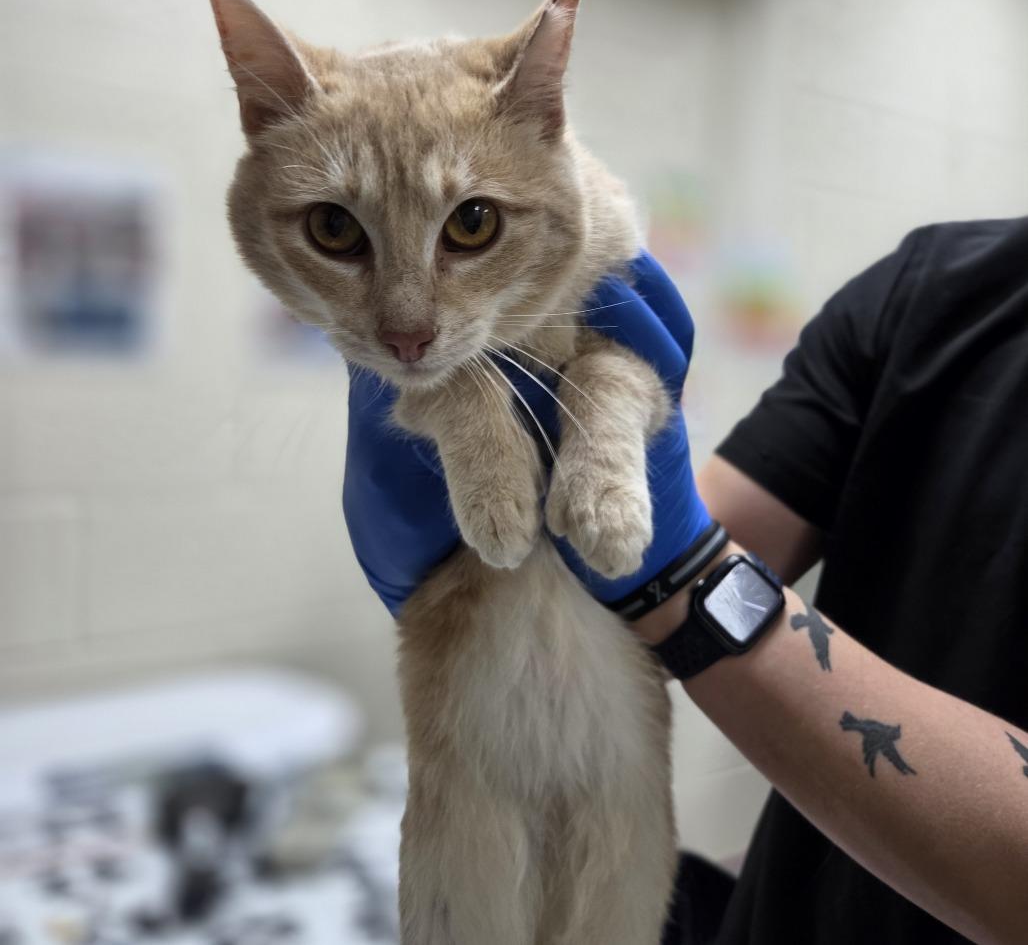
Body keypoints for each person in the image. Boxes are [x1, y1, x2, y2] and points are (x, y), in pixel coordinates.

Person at [342, 218, 1028, 945]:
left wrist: (686, 580)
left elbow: (673, 579)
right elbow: (637, 600)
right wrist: (485, 583)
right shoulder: (936, 288)